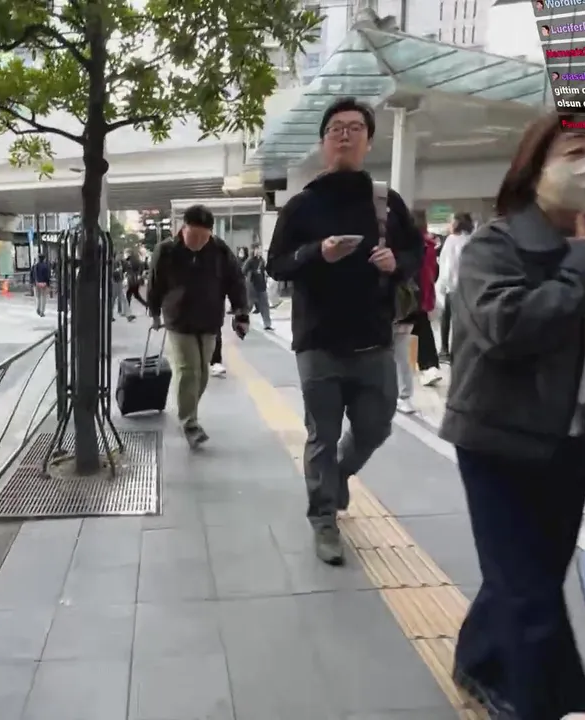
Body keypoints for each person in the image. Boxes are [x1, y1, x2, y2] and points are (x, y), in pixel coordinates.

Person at [441, 107, 585, 719]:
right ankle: (553, 706)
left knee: (531, 574)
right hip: (497, 440)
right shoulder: (495, 245)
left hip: (575, 437)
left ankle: (477, 659)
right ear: (534, 167)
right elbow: (507, 328)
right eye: (576, 151)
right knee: (530, 592)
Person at [265, 96, 424, 565]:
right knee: (322, 434)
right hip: (318, 341)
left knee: (376, 425)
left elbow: (415, 253)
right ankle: (323, 520)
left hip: (374, 337)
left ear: (369, 141)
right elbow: (277, 264)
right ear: (323, 142)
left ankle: (337, 477)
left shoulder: (385, 201)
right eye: (336, 128)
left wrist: (397, 262)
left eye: (355, 128)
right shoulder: (302, 205)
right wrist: (318, 253)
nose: (345, 135)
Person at [147, 204, 250, 448]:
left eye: (204, 237)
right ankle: (189, 422)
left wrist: (241, 313)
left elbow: (236, 281)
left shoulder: (220, 251)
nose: (199, 242)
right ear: (183, 229)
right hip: (178, 319)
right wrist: (154, 313)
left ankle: (188, 409)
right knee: (188, 369)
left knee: (202, 372)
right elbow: (155, 283)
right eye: (194, 236)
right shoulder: (166, 250)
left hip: (209, 319)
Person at [435, 213, 474, 363]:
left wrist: (443, 285)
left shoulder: (452, 240)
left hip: (453, 286)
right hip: (467, 287)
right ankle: (459, 352)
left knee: (446, 318)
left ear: (457, 223)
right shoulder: (471, 239)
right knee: (461, 321)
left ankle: (444, 351)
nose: (449, 224)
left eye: (451, 221)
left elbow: (447, 265)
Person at [407, 226, 443, 387]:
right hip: (421, 293)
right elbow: (434, 272)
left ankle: (426, 368)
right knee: (421, 328)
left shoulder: (408, 244)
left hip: (408, 294)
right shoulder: (428, 245)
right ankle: (429, 367)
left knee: (405, 333)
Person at [242, 244, 273, 331]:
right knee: (249, 305)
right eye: (257, 249)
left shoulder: (262, 261)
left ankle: (267, 324)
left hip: (262, 286)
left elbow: (264, 272)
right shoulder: (250, 261)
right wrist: (252, 274)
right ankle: (241, 321)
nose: (259, 251)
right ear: (253, 250)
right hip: (252, 287)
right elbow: (243, 271)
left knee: (265, 306)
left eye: (259, 249)